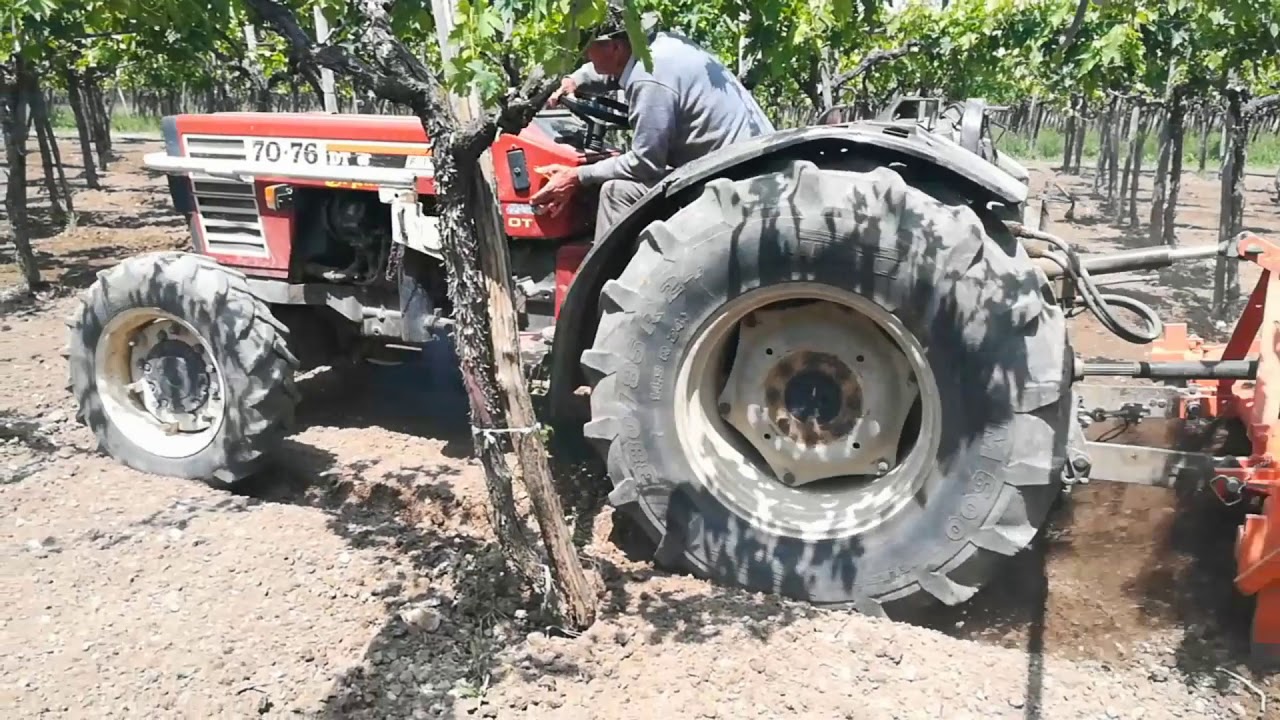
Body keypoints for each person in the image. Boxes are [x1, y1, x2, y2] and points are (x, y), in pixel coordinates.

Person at [529, 2, 776, 242]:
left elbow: (646, 164)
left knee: (617, 193)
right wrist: (577, 79)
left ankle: (608, 280)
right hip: (740, 159)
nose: (584, 53)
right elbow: (615, 73)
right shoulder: (660, 47)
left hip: (730, 175)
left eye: (589, 45)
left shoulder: (648, 80)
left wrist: (578, 175)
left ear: (614, 47)